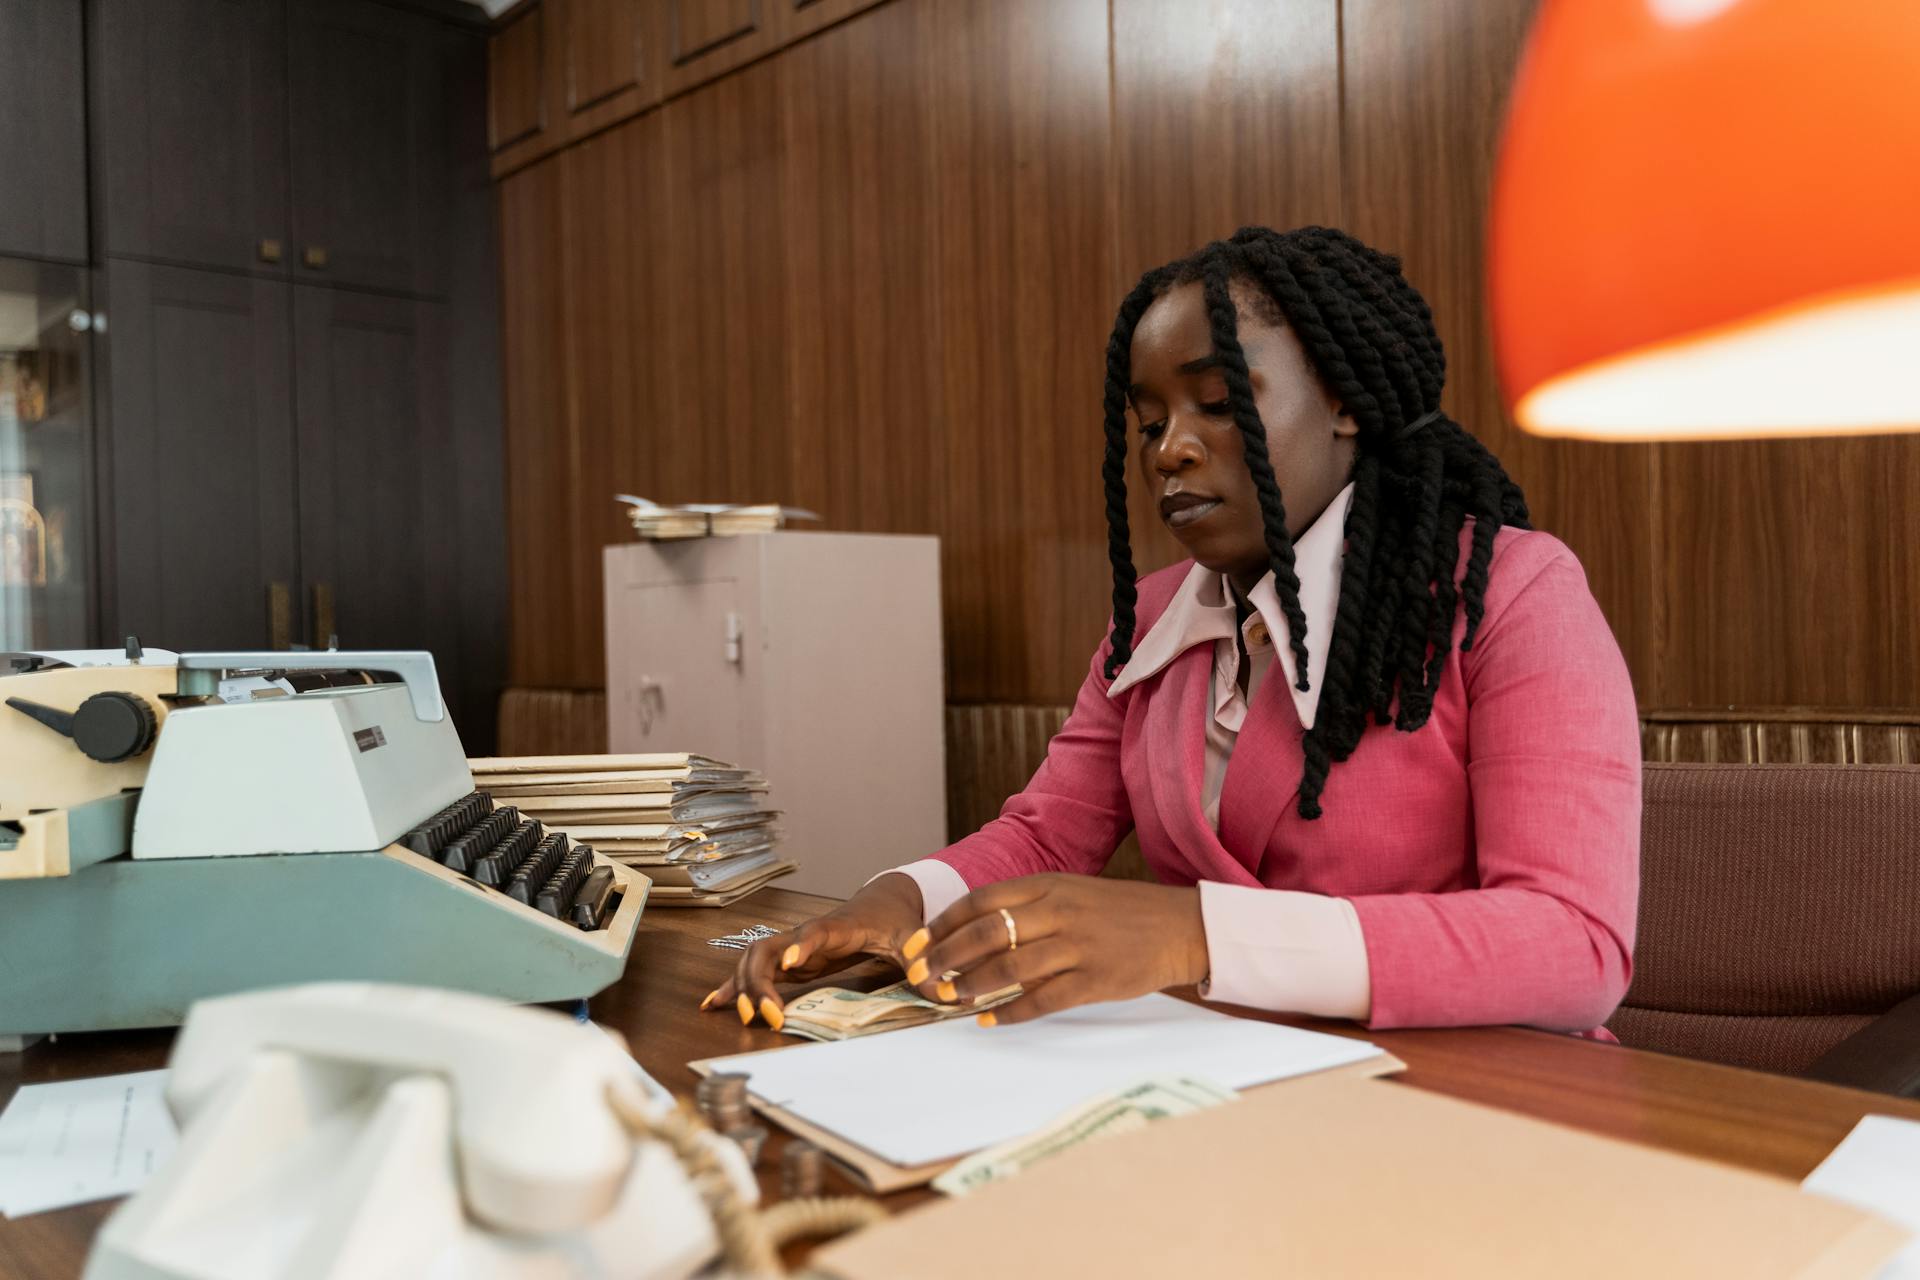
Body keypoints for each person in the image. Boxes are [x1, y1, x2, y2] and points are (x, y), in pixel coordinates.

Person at [701, 226, 1641, 1036]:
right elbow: (1043, 836)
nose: (1170, 449)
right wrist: (898, 904)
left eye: (1221, 404)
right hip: (1221, 1094)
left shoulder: (1513, 592)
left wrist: (1193, 935)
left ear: (1348, 400)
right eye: (1148, 423)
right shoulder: (1152, 620)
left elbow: (1573, 942)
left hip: (1470, 1108)